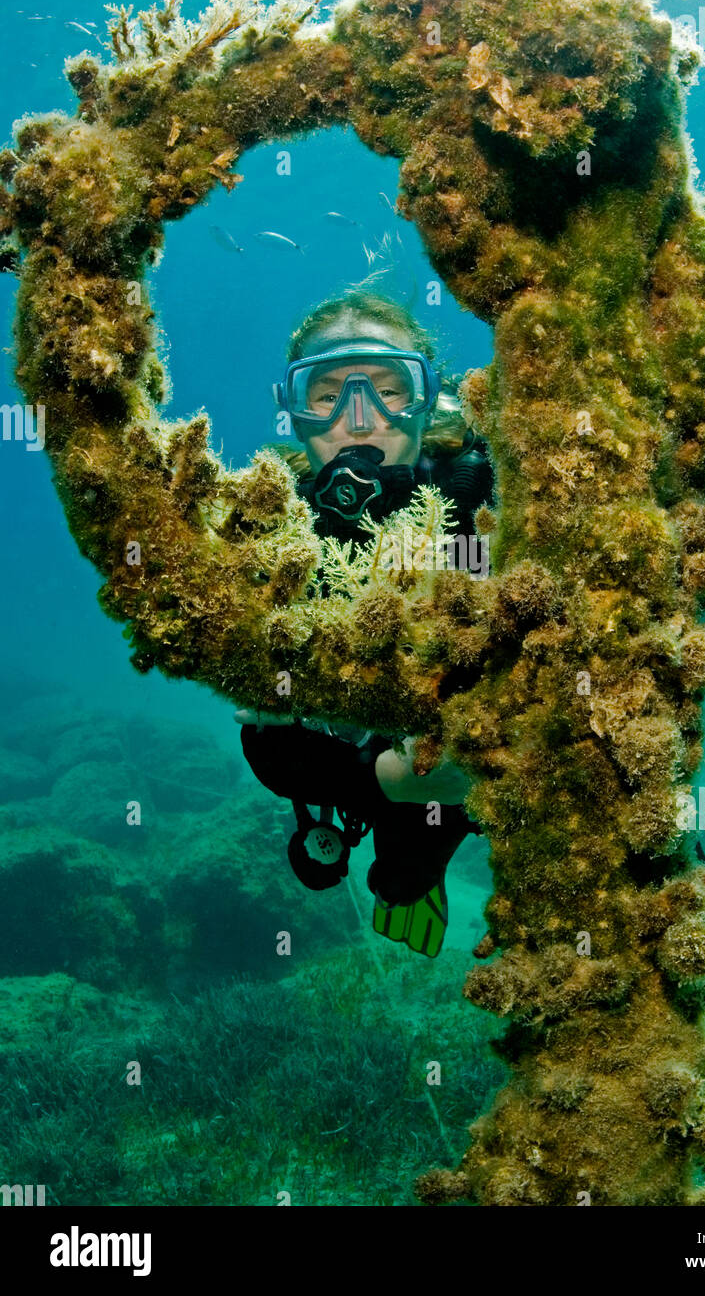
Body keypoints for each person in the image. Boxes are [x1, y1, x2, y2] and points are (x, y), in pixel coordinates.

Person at [237, 288, 495, 957]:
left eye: (389, 389)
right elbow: (267, 744)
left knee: (406, 871)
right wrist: (387, 778)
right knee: (396, 860)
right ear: (293, 414)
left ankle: (413, 875)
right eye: (326, 395)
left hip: (462, 758)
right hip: (343, 761)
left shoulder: (485, 500)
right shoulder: (266, 527)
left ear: (426, 401)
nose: (360, 420)